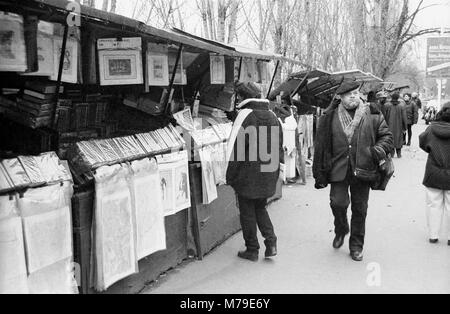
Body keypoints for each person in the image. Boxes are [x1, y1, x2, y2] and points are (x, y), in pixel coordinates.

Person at [313, 80, 393, 262]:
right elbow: (322, 145)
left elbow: (387, 137)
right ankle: (341, 228)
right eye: (349, 94)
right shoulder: (330, 116)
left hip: (364, 168)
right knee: (337, 203)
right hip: (338, 169)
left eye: (356, 93)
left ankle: (356, 246)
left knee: (360, 209)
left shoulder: (372, 113)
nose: (353, 96)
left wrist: (376, 151)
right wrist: (321, 169)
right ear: (340, 97)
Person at [226, 82, 284, 262]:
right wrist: (277, 172)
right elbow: (279, 147)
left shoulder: (245, 115)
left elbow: (235, 148)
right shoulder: (273, 115)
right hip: (268, 172)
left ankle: (252, 249)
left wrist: (229, 175)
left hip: (247, 174)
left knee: (247, 211)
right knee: (260, 207)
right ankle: (271, 242)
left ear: (242, 97)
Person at [419, 102, 450, 246]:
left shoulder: (431, 128)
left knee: (433, 204)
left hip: (434, 171)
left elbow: (423, 143)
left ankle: (433, 235)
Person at [385, 93, 408, 158]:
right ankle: (399, 154)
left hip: (389, 126)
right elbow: (404, 117)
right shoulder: (401, 106)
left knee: (390, 139)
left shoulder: (387, 105)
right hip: (399, 126)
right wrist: (405, 127)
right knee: (399, 139)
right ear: (398, 98)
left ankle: (391, 153)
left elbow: (384, 116)